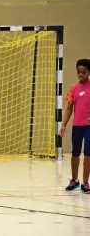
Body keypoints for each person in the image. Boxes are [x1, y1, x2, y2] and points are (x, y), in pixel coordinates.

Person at [60, 59, 90, 193]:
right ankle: (74, 180)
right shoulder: (73, 88)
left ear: (89, 72)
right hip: (77, 126)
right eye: (79, 72)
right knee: (75, 153)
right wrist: (63, 125)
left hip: (89, 127)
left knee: (88, 153)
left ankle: (85, 182)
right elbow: (68, 109)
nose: (81, 75)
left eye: (83, 72)